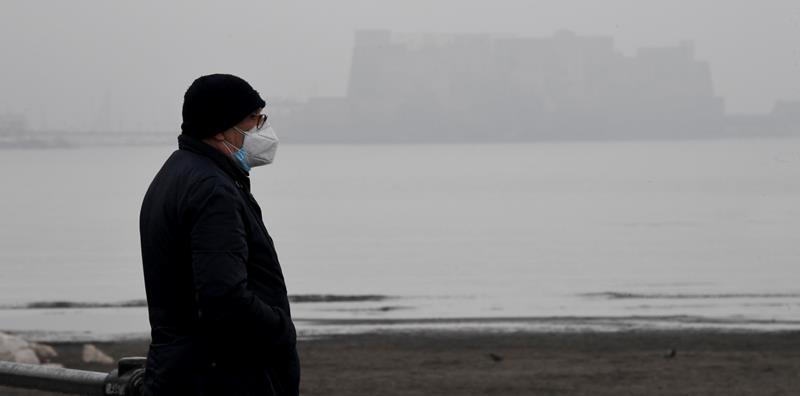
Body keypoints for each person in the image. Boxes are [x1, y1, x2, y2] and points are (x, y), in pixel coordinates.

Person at [139, 74, 299, 395]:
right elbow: (223, 297)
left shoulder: (178, 172)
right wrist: (281, 329)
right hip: (220, 376)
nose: (262, 129)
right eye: (254, 120)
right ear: (222, 127)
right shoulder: (213, 190)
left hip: (181, 368)